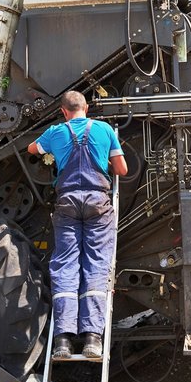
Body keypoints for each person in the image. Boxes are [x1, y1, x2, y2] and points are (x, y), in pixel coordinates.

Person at [27, 90, 127, 359]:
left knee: (66, 266)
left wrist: (52, 149)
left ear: (63, 111)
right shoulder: (104, 129)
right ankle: (93, 338)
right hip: (97, 204)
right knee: (95, 264)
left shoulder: (56, 131)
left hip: (67, 203)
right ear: (87, 107)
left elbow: (32, 149)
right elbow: (122, 169)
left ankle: (62, 340)